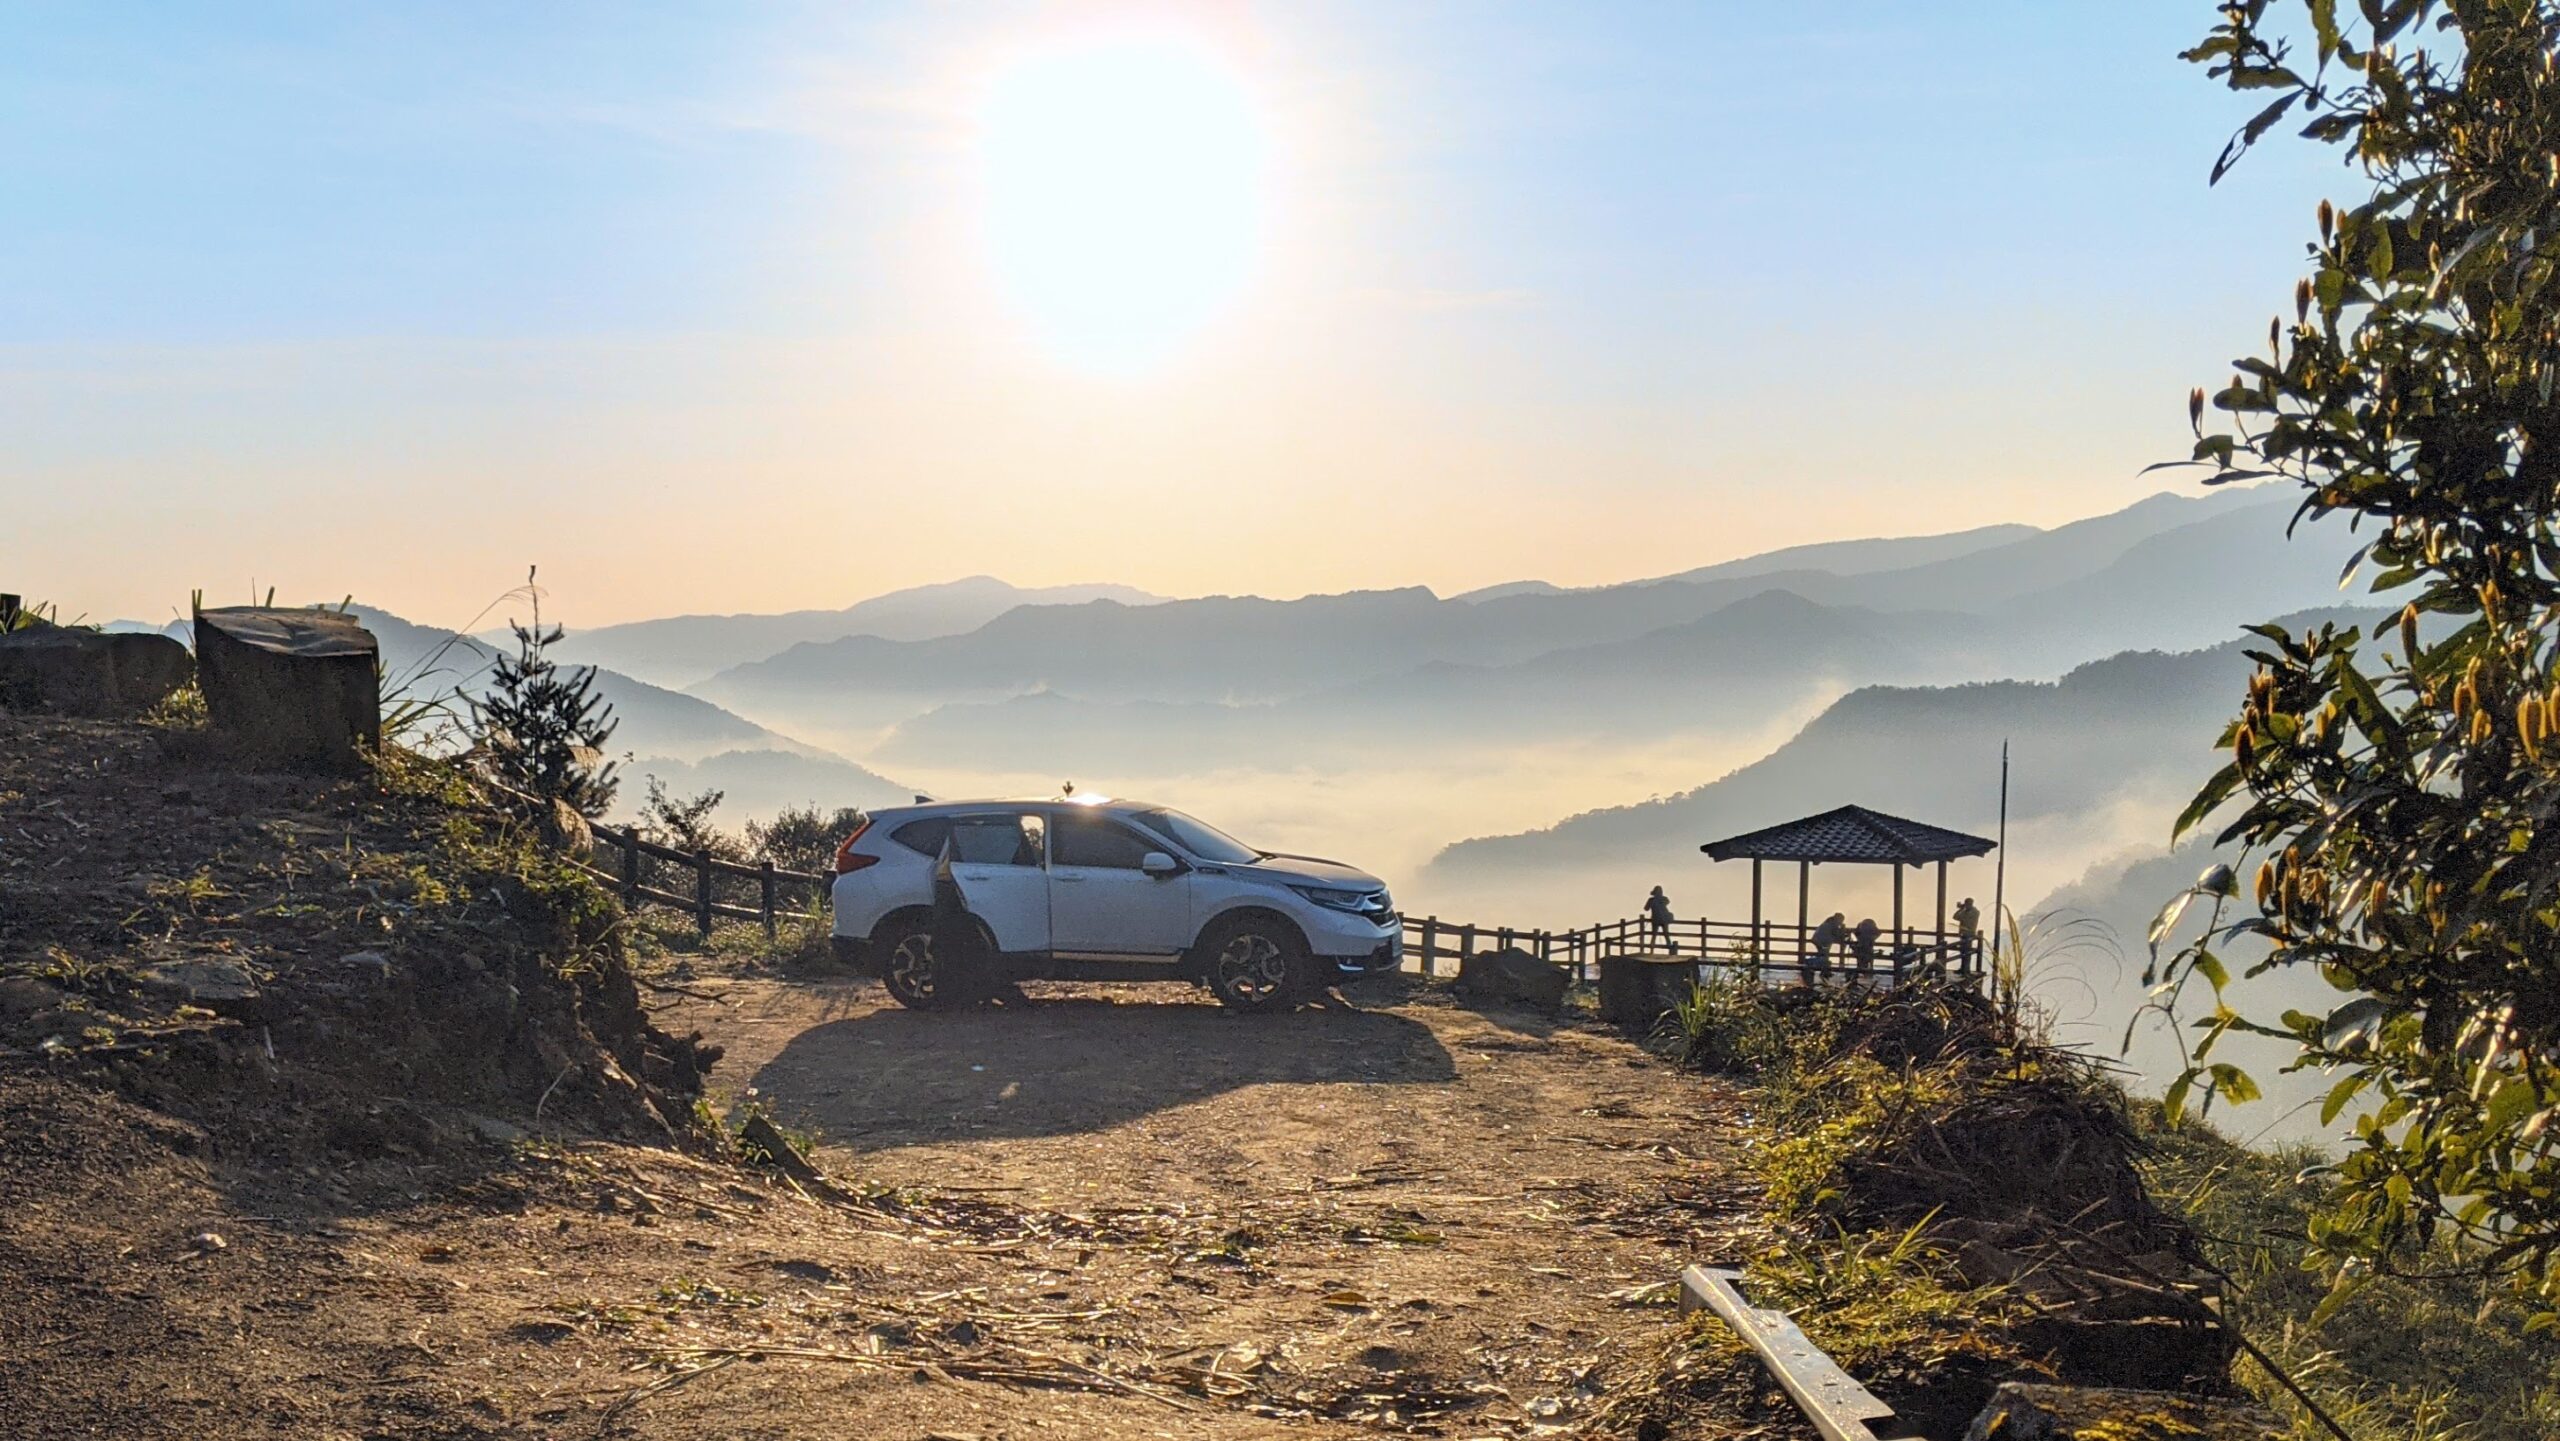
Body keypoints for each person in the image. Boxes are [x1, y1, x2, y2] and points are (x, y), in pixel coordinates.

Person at [1806, 911, 1847, 983]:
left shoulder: (1829, 922)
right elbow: (1837, 934)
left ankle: (1824, 970)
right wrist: (1842, 929)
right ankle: (1823, 971)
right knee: (1824, 955)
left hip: (1819, 939)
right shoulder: (1833, 924)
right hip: (1823, 941)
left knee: (1823, 955)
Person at [1643, 885, 1680, 954]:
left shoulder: (1651, 900)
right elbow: (1667, 902)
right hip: (1664, 918)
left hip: (1656, 918)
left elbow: (1646, 909)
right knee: (1666, 933)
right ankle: (1669, 946)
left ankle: (1651, 950)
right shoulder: (1664, 899)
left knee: (1654, 934)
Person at [1953, 896, 1982, 974]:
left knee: (1967, 952)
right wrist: (1961, 909)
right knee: (1963, 952)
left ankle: (1966, 969)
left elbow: (1961, 918)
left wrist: (1962, 909)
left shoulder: (1975, 912)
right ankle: (1963, 969)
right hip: (1964, 934)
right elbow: (1955, 917)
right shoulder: (1966, 911)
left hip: (1969, 934)